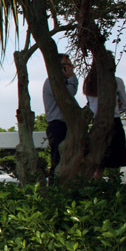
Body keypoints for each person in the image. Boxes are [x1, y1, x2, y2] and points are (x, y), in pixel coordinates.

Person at [83, 69, 126, 177]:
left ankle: (97, 190)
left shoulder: (89, 83)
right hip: (114, 121)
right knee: (115, 165)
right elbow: (125, 105)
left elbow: (90, 104)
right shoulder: (116, 81)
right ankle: (114, 190)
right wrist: (117, 105)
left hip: (97, 123)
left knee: (98, 165)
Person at [43, 53, 78, 182]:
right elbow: (68, 95)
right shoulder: (52, 82)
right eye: (66, 65)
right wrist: (72, 78)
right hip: (57, 125)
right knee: (58, 159)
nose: (70, 68)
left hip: (65, 124)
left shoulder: (62, 82)